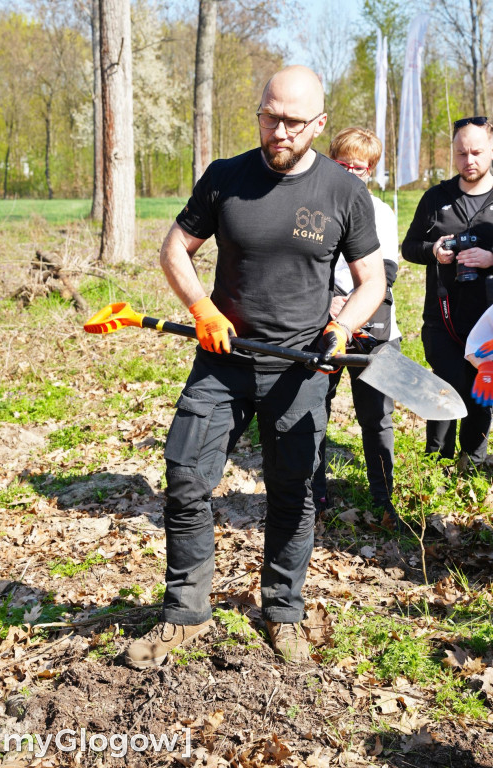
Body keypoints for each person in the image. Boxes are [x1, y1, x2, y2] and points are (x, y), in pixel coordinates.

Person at [125, 65, 386, 669]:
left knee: (293, 491)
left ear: (318, 124)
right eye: (271, 116)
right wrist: (200, 307)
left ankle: (283, 611)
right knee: (186, 477)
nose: (280, 131)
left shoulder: (344, 192)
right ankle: (185, 614)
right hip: (223, 361)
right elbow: (174, 249)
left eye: (295, 121)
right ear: (260, 112)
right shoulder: (225, 178)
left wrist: (342, 325)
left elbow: (371, 279)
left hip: (298, 368)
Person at [311, 127, 401, 527]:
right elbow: (303, 269)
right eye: (343, 164)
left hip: (374, 330)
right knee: (313, 413)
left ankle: (383, 500)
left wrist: (355, 308)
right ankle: (314, 496)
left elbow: (387, 272)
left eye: (359, 167)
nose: (351, 172)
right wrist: (326, 301)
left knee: (376, 419)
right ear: (331, 161)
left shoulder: (382, 212)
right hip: (320, 324)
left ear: (371, 170)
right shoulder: (312, 204)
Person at [402, 116, 493, 470]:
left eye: (476, 152)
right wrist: (432, 250)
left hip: (486, 325)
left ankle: (471, 462)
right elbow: (409, 247)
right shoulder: (435, 198)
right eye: (460, 153)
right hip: (441, 320)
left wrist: (490, 258)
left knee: (479, 390)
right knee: (445, 385)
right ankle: (435, 462)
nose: (469, 160)